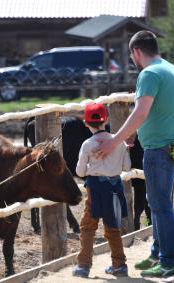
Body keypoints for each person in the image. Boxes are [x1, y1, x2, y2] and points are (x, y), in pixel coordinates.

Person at [95, 30, 174, 278]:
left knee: (160, 206)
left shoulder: (149, 74)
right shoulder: (168, 68)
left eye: (131, 55)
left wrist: (115, 140)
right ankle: (158, 253)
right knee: (158, 204)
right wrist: (136, 134)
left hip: (159, 149)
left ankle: (169, 261)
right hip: (170, 146)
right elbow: (156, 110)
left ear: (136, 52)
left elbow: (140, 112)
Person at [72, 102, 131, 278]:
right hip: (114, 187)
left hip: (95, 188)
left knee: (88, 226)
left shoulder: (87, 144)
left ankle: (83, 266)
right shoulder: (119, 142)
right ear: (106, 120)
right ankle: (119, 265)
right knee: (113, 227)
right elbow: (127, 167)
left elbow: (80, 172)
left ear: (86, 123)